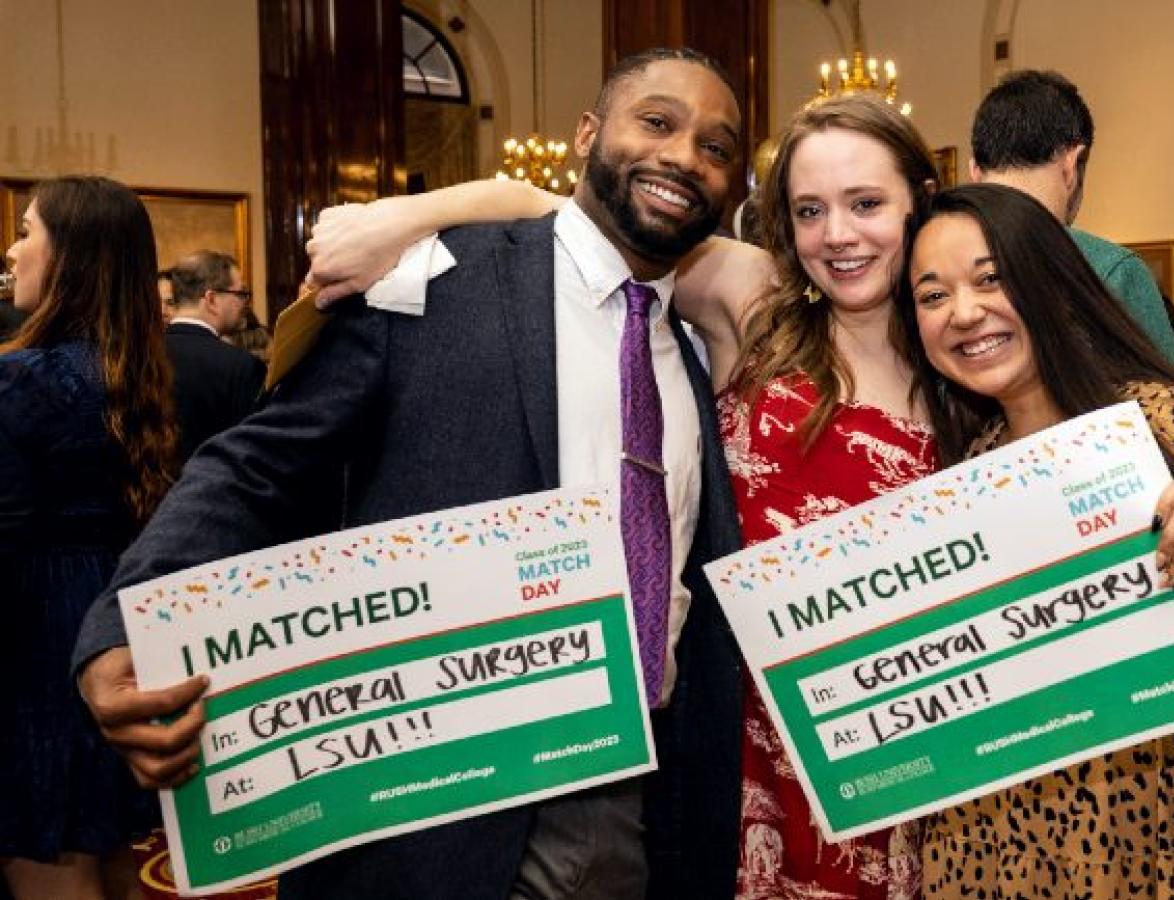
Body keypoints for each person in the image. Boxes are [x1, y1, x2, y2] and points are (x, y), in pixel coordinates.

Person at [73, 48, 748, 900]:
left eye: (717, 148)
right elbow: (258, 467)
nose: (685, 157)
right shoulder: (434, 278)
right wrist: (128, 619)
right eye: (656, 122)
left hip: (628, 799)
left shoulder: (693, 349)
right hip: (426, 799)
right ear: (587, 133)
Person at [304, 91, 937, 900]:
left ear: (921, 196)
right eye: (810, 209)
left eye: (868, 204)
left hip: (893, 740)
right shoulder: (759, 301)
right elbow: (565, 217)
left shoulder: (961, 362)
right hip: (735, 741)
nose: (838, 235)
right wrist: (404, 216)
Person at [899, 183, 1174, 898]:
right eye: (932, 295)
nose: (964, 313)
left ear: (1048, 282)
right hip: (985, 849)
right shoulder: (966, 472)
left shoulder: (1159, 421)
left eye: (990, 279)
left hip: (1138, 843)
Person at [1, 176, 178, 899]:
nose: (11, 251)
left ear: (69, 256)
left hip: (34, 634)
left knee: (48, 853)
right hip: (118, 622)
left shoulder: (20, 380)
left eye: (24, 230)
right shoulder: (139, 374)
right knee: (112, 857)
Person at [966, 69, 1174, 367]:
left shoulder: (932, 265)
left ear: (974, 172)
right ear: (1073, 164)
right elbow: (1171, 406)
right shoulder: (1111, 272)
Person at [163, 250, 265, 460]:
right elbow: (253, 453)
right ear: (211, 299)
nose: (245, 303)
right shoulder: (240, 366)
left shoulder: (140, 356)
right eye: (240, 294)